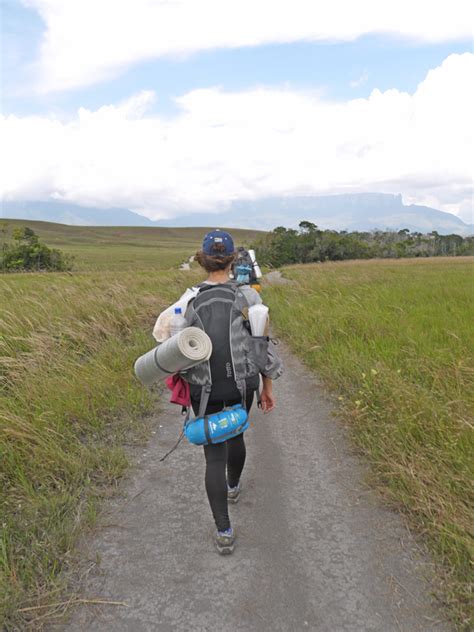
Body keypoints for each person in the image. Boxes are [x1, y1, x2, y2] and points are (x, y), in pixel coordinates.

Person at [182, 229, 280, 554]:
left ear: (203, 260)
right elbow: (261, 347)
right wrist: (267, 386)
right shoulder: (250, 298)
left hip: (204, 389)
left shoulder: (190, 300)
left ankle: (224, 532)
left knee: (213, 454)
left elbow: (181, 350)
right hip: (241, 385)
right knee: (236, 435)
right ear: (233, 259)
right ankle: (234, 486)